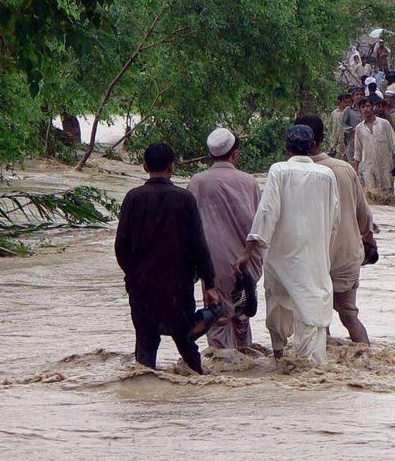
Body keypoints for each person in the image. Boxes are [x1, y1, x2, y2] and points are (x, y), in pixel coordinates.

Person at [235, 126, 339, 362]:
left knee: (277, 304)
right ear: (313, 147)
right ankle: (310, 366)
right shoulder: (326, 174)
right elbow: (335, 218)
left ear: (286, 147)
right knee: (311, 309)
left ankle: (279, 355)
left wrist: (248, 252)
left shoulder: (278, 171)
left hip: (281, 255)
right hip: (314, 256)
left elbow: (267, 212)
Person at [115, 142, 220, 375]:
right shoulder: (185, 199)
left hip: (142, 286)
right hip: (178, 287)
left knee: (145, 345)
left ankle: (143, 394)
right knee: (186, 342)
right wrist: (209, 283)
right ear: (171, 167)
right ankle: (199, 387)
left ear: (145, 167)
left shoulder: (133, 198)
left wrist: (132, 275)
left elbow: (121, 246)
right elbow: (199, 245)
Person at [295, 115, 375, 345]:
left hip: (314, 260)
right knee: (350, 317)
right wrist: (368, 239)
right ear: (321, 139)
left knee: (317, 322)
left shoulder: (294, 174)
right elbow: (364, 217)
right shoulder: (345, 169)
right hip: (348, 258)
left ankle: (323, 373)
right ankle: (366, 359)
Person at [186, 129, 263, 352]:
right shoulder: (249, 182)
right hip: (245, 263)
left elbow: (190, 225)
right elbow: (259, 224)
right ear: (235, 154)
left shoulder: (198, 182)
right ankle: (244, 370)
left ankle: (222, 374)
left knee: (217, 318)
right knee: (241, 317)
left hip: (212, 263)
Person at [353, 97, 395, 193]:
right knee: (372, 194)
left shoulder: (384, 124)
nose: (365, 109)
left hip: (385, 165)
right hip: (368, 166)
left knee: (387, 194)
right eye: (363, 107)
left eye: (368, 106)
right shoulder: (359, 128)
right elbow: (358, 150)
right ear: (360, 109)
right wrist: (355, 169)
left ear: (373, 107)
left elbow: (394, 142)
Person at [341, 88, 364, 163]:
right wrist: (351, 129)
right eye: (357, 94)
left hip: (366, 141)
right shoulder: (348, 110)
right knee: (353, 163)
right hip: (352, 142)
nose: (359, 96)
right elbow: (342, 125)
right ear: (353, 97)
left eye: (361, 94)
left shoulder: (367, 108)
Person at [328, 93, 349, 158]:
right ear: (340, 102)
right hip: (334, 143)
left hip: (345, 144)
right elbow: (331, 127)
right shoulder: (334, 113)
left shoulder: (349, 113)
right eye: (345, 102)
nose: (347, 104)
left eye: (349, 102)